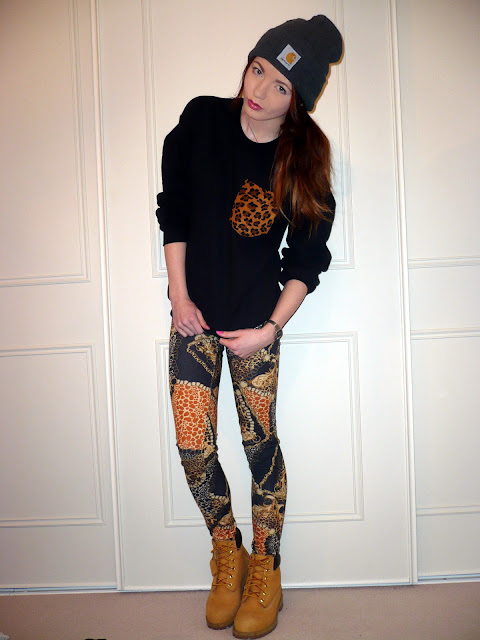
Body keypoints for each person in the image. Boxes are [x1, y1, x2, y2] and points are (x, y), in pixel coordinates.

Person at [156, 14, 343, 639]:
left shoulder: (302, 160)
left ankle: (267, 565)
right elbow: (174, 211)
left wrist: (270, 328)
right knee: (193, 445)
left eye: (279, 85)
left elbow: (307, 260)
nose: (258, 90)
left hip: (255, 330)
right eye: (257, 69)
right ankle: (227, 551)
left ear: (297, 102)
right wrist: (179, 297)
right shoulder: (201, 122)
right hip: (193, 321)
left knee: (259, 447)